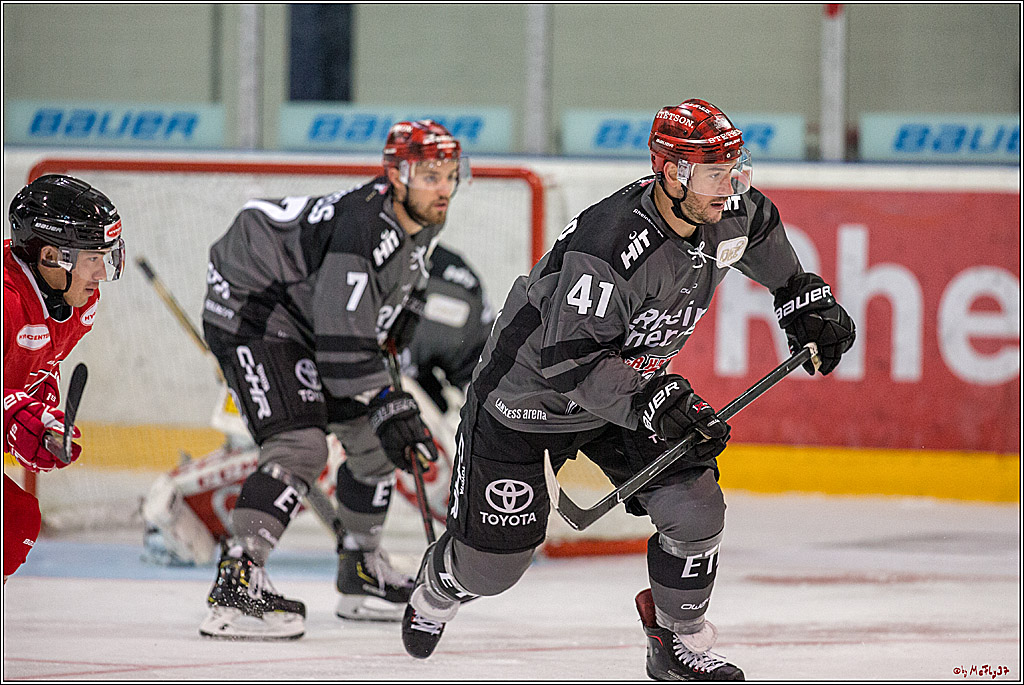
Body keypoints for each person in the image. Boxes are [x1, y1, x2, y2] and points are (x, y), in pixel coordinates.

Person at [400, 100, 856, 680]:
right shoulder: (611, 242)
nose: (730, 185)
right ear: (671, 172)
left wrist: (799, 292)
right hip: (527, 397)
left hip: (618, 395)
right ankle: (439, 586)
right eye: (715, 172)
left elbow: (761, 228)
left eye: (734, 168)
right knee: (493, 570)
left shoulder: (726, 210)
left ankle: (675, 640)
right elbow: (570, 361)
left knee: (694, 509)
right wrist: (652, 402)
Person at [198, 120, 471, 640]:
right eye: (431, 174)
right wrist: (389, 399)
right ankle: (236, 584)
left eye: (452, 174)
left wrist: (392, 367)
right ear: (395, 174)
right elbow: (343, 341)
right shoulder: (363, 228)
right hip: (255, 309)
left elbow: (375, 315)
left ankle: (361, 571)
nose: (444, 187)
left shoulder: (418, 219)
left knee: (374, 444)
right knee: (300, 446)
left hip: (307, 317)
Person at [139, 242, 494, 568]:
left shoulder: (451, 290)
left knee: (402, 421)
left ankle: (484, 521)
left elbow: (483, 385)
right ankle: (193, 511)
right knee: (300, 449)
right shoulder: (328, 269)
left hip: (386, 419)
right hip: (313, 415)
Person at [3, 174, 125, 583]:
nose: (100, 273)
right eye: (93, 258)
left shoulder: (72, 304)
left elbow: (32, 370)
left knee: (13, 521)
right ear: (51, 257)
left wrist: (42, 421)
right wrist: (15, 418)